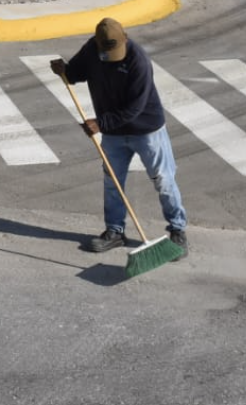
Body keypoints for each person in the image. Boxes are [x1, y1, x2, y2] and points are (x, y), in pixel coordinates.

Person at [50, 17, 188, 256]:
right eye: (105, 50)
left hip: (146, 130)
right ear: (98, 43)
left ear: (125, 38)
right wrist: (64, 72)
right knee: (112, 181)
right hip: (113, 133)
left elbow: (135, 108)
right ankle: (115, 231)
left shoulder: (138, 60)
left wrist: (100, 123)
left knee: (163, 180)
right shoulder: (92, 49)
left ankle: (178, 231)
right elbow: (76, 73)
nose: (109, 55)